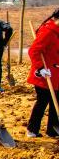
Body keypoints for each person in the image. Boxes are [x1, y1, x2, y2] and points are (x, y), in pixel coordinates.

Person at [26, 8, 59, 138]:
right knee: (42, 101)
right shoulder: (48, 31)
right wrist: (40, 68)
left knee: (56, 100)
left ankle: (53, 129)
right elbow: (33, 51)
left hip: (55, 74)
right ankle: (32, 129)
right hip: (44, 74)